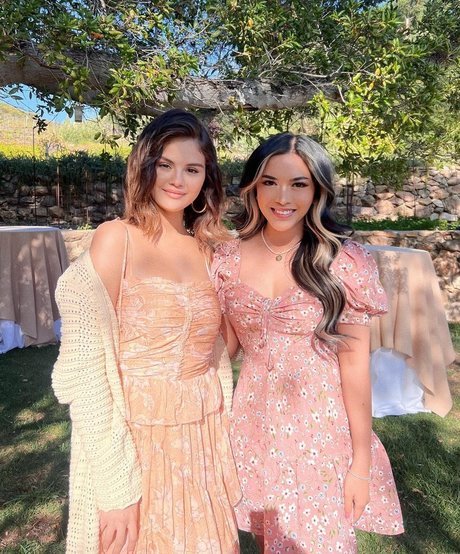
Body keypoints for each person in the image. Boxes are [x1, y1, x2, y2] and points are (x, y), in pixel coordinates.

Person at [52, 109, 241, 554]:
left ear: (206, 178)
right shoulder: (116, 238)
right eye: (165, 164)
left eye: (192, 169)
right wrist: (116, 488)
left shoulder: (212, 249)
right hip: (136, 438)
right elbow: (85, 372)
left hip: (203, 435)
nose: (177, 180)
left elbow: (222, 347)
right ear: (144, 166)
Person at [211, 132, 404, 553]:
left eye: (299, 184)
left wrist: (361, 463)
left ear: (317, 190)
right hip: (251, 426)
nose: (283, 197)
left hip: (320, 428)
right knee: (269, 539)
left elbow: (355, 368)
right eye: (270, 182)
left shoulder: (344, 261)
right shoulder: (226, 258)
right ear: (252, 186)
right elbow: (224, 350)